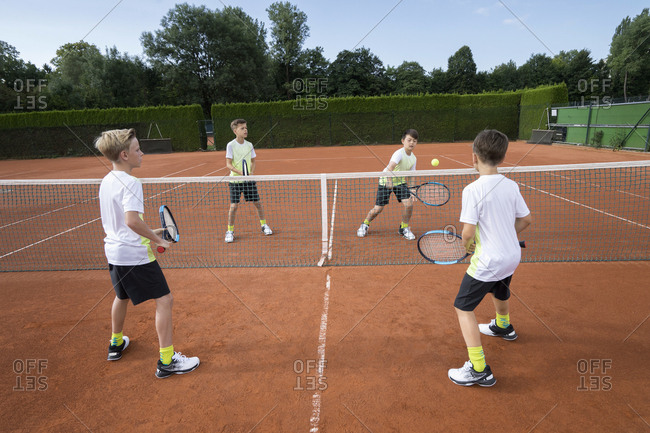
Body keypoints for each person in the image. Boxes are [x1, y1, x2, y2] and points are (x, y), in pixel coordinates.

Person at [95, 128, 200, 379]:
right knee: (165, 300)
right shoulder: (131, 182)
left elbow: (123, 225)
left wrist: (153, 231)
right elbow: (132, 221)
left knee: (121, 296)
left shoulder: (107, 180)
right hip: (135, 255)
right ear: (124, 154)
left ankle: (116, 343)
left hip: (115, 252)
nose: (141, 153)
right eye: (137, 149)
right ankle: (167, 361)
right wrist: (156, 239)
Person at [447, 129, 532, 387]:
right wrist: (505, 234)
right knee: (500, 288)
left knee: (463, 308)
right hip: (511, 256)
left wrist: (468, 246)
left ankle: (478, 368)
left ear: (474, 157)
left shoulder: (472, 190)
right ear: (502, 158)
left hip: (489, 260)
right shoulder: (511, 185)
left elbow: (468, 232)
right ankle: (503, 326)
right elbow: (526, 220)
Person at [357, 129, 418, 240]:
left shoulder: (414, 158)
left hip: (400, 182)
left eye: (414, 141)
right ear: (403, 141)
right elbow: (389, 168)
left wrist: (412, 189)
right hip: (386, 181)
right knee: (378, 209)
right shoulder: (399, 154)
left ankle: (404, 228)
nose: (411, 143)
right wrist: (389, 181)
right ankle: (365, 224)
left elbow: (412, 175)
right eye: (409, 140)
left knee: (409, 204)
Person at [224, 119, 273, 243]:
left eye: (246, 128)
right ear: (235, 131)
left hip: (248, 181)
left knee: (258, 203)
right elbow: (228, 164)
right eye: (242, 128)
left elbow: (253, 161)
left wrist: (251, 173)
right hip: (235, 181)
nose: (245, 130)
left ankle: (264, 225)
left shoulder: (249, 145)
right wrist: (241, 173)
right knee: (234, 206)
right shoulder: (231, 145)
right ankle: (230, 231)